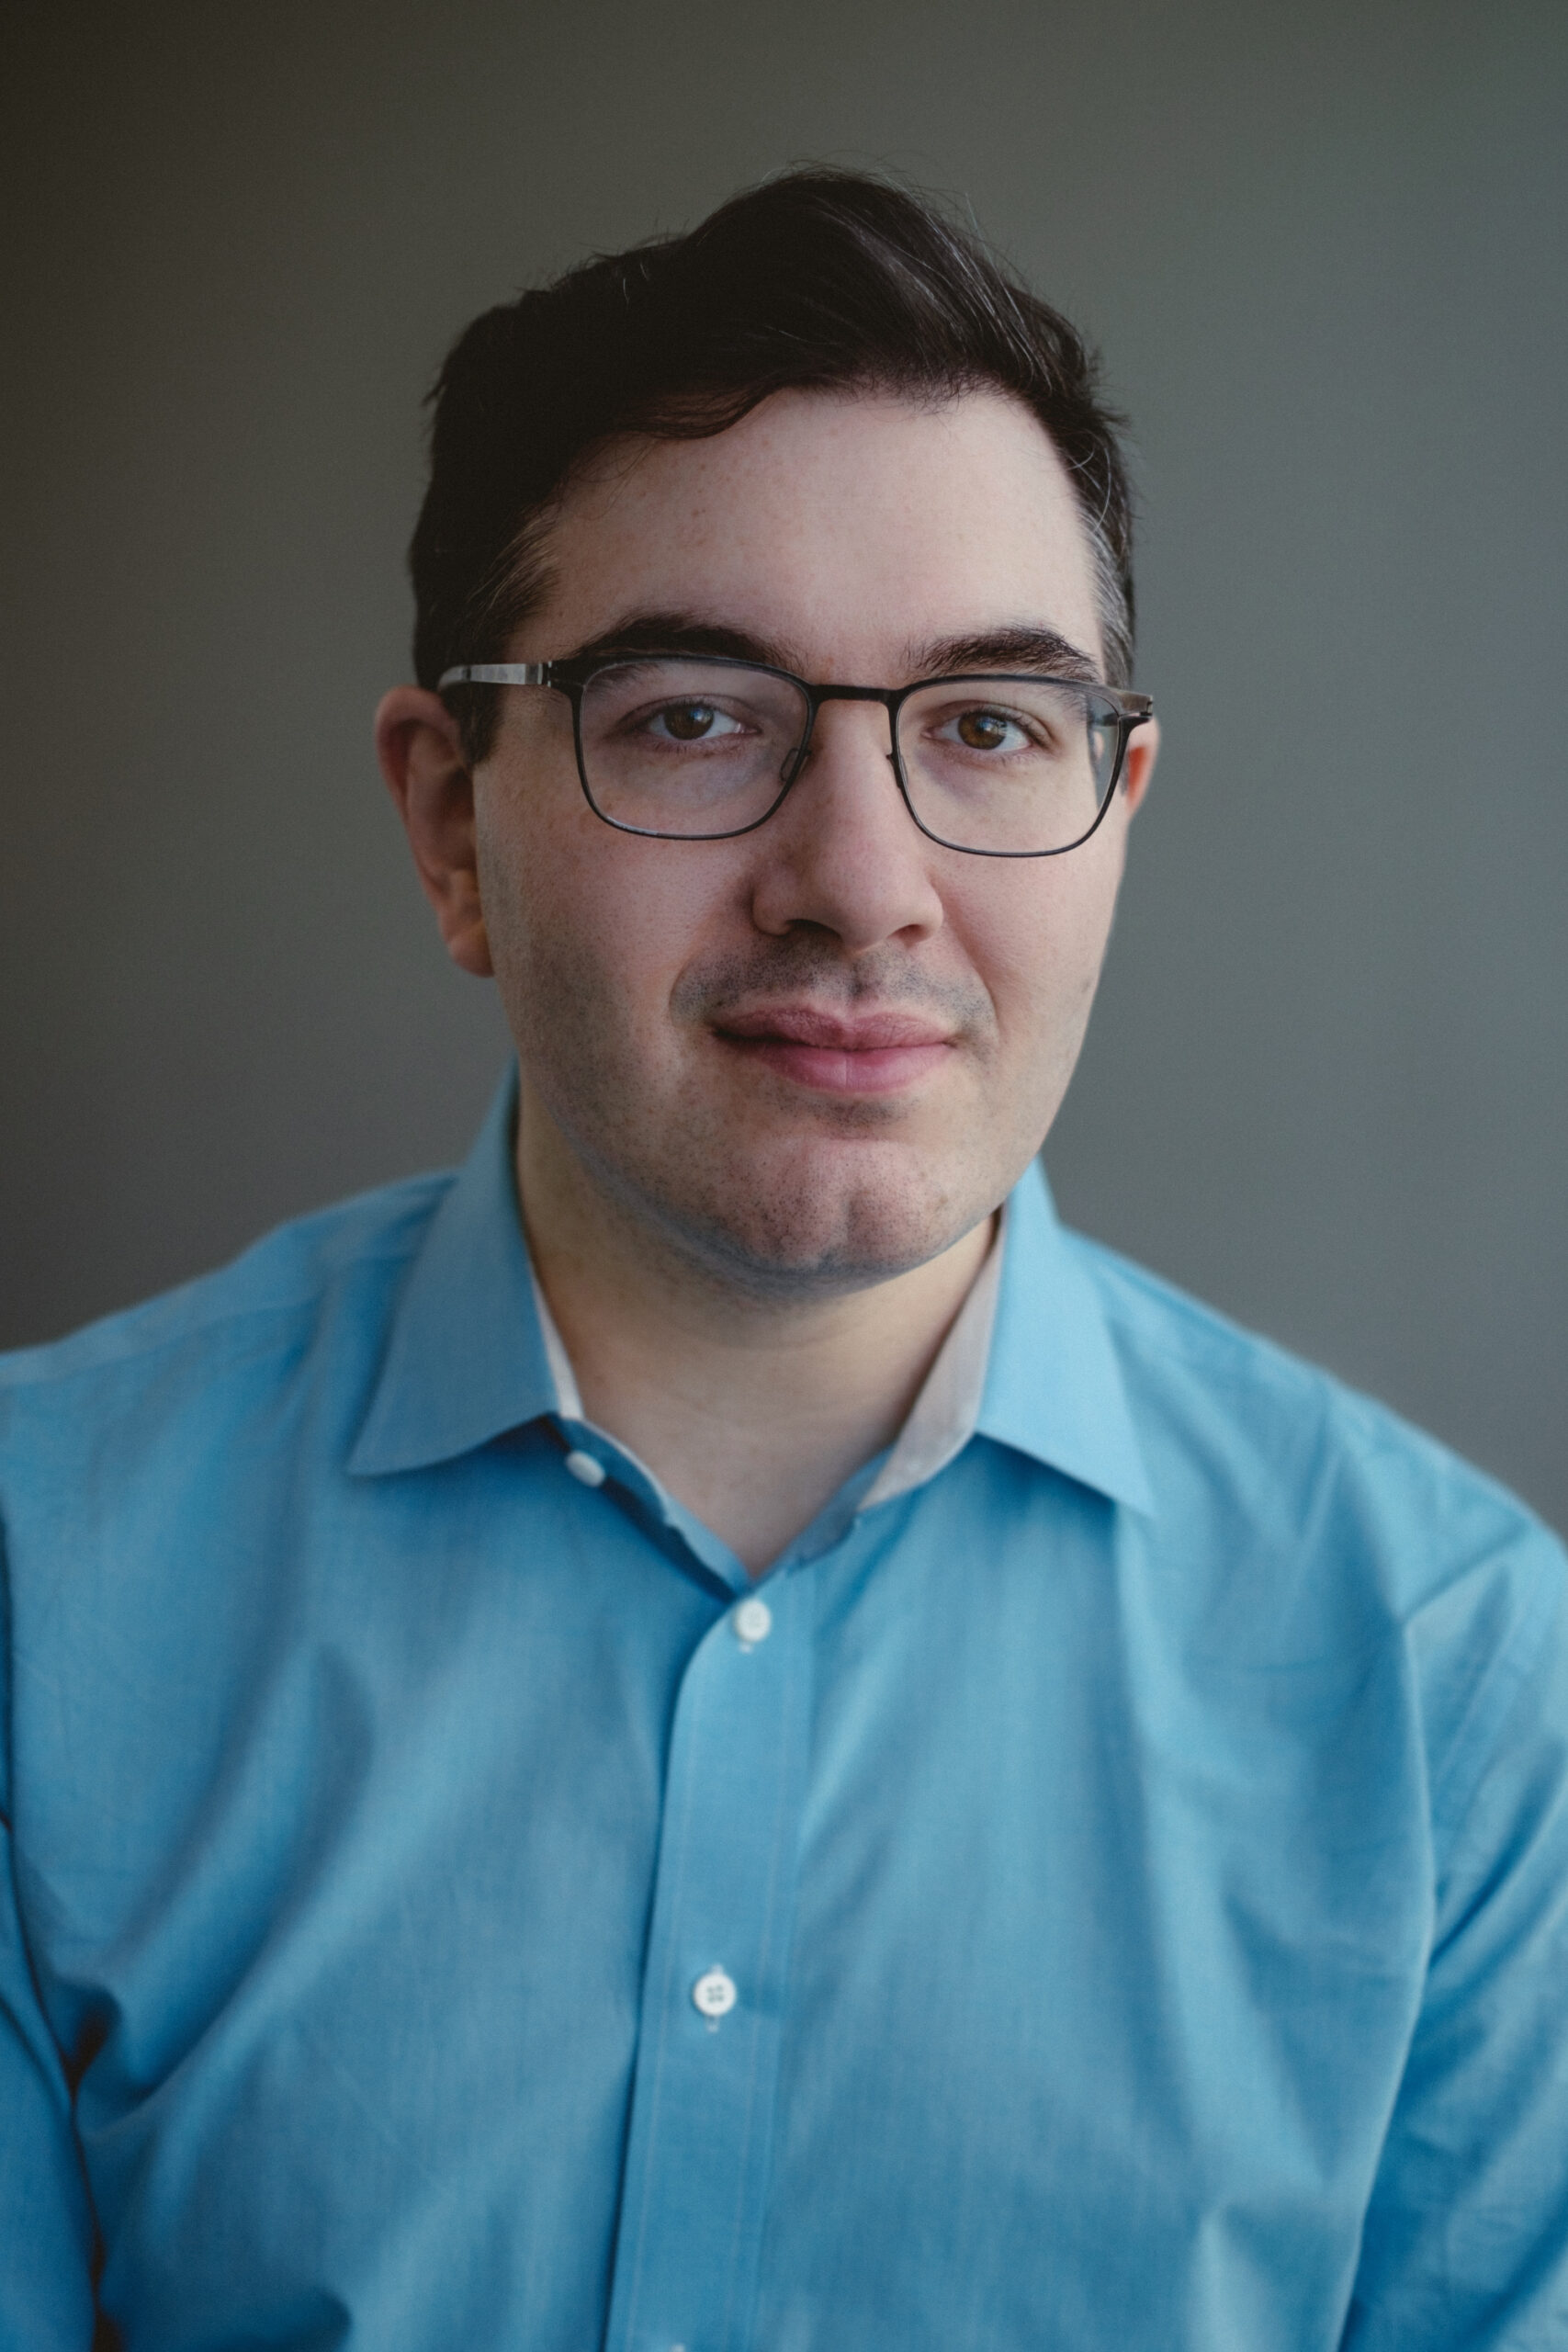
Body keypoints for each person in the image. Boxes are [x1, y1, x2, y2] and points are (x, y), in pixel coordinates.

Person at [1, 170, 1563, 2351]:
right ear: (452, 820)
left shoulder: (1464, 1701)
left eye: (990, 725)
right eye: (695, 714)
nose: (860, 882)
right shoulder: (30, 1590)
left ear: (1113, 812)